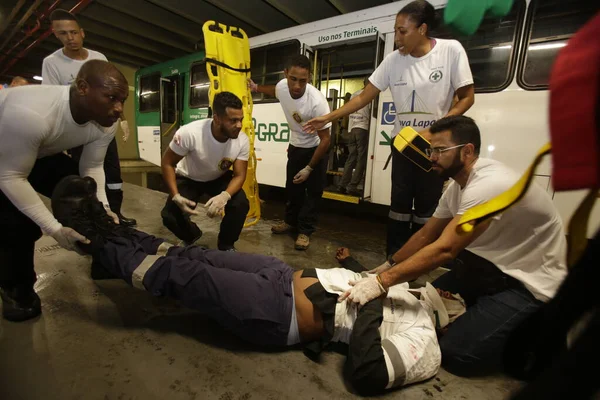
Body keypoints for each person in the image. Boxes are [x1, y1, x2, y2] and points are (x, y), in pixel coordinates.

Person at [51, 174, 455, 396]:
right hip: (280, 274)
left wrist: (373, 295)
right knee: (190, 255)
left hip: (280, 313)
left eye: (458, 295)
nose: (452, 291)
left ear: (455, 313)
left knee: (184, 277)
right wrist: (361, 269)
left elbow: (368, 372)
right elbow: (375, 284)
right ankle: (115, 232)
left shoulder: (425, 340)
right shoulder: (414, 290)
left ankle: (97, 243)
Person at [336, 115, 568, 376]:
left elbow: (445, 249)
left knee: (457, 353)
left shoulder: (489, 184)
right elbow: (426, 235)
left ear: (467, 151)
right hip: (489, 271)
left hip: (530, 284)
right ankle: (484, 310)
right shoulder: (457, 187)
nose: (431, 156)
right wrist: (387, 266)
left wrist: (381, 283)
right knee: (421, 305)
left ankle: (534, 331)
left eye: (439, 150)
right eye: (431, 149)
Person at [304, 0, 475, 256]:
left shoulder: (451, 51)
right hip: (403, 145)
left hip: (434, 148)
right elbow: (363, 97)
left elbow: (467, 97)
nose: (397, 38)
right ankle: (395, 257)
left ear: (423, 29)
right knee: (398, 206)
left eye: (402, 31)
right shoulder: (394, 60)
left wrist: (436, 130)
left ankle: (420, 258)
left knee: (427, 207)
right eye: (395, 31)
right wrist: (328, 117)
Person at [0, 59, 128, 322]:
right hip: (5, 159)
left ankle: (102, 255)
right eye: (112, 97)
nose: (119, 108)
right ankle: (15, 288)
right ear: (82, 87)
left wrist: (103, 208)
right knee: (17, 225)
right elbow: (11, 176)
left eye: (122, 100)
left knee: (82, 192)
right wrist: (55, 229)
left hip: (39, 151)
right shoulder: (32, 114)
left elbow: (92, 166)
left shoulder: (106, 120)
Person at [42, 8, 136, 227]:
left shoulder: (98, 58)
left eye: (73, 32)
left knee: (112, 172)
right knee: (85, 173)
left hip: (103, 126)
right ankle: (92, 215)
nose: (70, 38)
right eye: (63, 33)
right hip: (77, 128)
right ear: (55, 34)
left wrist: (122, 120)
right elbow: (54, 99)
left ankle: (115, 213)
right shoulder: (51, 63)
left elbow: (113, 92)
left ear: (82, 33)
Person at [248, 55, 331, 250]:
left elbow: (326, 139)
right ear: (286, 74)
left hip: (316, 148)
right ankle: (290, 222)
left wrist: (310, 168)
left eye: (303, 81)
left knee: (313, 193)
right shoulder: (282, 87)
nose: (297, 85)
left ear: (309, 78)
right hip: (295, 146)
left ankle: (305, 231)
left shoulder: (317, 102)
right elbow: (275, 91)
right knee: (292, 188)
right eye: (293, 79)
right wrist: (256, 88)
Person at [161, 91, 250, 251]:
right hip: (190, 177)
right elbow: (167, 163)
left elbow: (239, 175)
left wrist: (225, 196)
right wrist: (175, 196)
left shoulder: (241, 140)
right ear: (216, 119)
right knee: (169, 216)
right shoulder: (189, 133)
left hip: (218, 178)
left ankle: (226, 244)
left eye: (241, 119)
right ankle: (191, 235)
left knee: (240, 203)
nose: (239, 125)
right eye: (233, 120)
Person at [338, 77, 371, 196]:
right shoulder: (370, 95)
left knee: (351, 157)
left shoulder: (354, 95)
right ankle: (351, 187)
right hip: (362, 129)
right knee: (361, 159)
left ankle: (342, 184)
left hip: (351, 130)